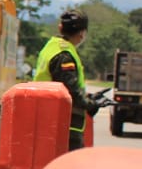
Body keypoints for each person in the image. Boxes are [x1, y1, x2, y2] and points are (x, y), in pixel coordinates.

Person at [33, 8, 97, 151]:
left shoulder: (51, 46)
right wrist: (91, 105)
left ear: (60, 27)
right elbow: (70, 90)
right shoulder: (64, 55)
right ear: (82, 33)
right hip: (65, 123)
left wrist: (88, 97)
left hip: (46, 116)